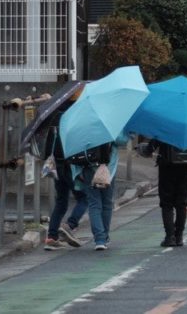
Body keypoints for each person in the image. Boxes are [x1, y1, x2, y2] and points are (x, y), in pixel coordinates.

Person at [42, 86, 87, 250]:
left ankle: (51, 237)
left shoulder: (54, 115)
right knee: (84, 197)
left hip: (54, 164)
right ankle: (69, 225)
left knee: (61, 200)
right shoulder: (74, 116)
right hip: (69, 164)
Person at [138, 138, 187, 247]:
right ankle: (179, 236)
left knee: (166, 202)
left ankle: (170, 236)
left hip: (167, 164)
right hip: (186, 163)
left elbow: (151, 146)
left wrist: (148, 150)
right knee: (182, 202)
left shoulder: (165, 125)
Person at [71, 142, 119, 251]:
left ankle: (99, 239)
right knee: (107, 203)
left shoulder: (82, 127)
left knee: (94, 203)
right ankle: (104, 237)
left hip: (89, 165)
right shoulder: (109, 126)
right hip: (108, 167)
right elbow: (122, 140)